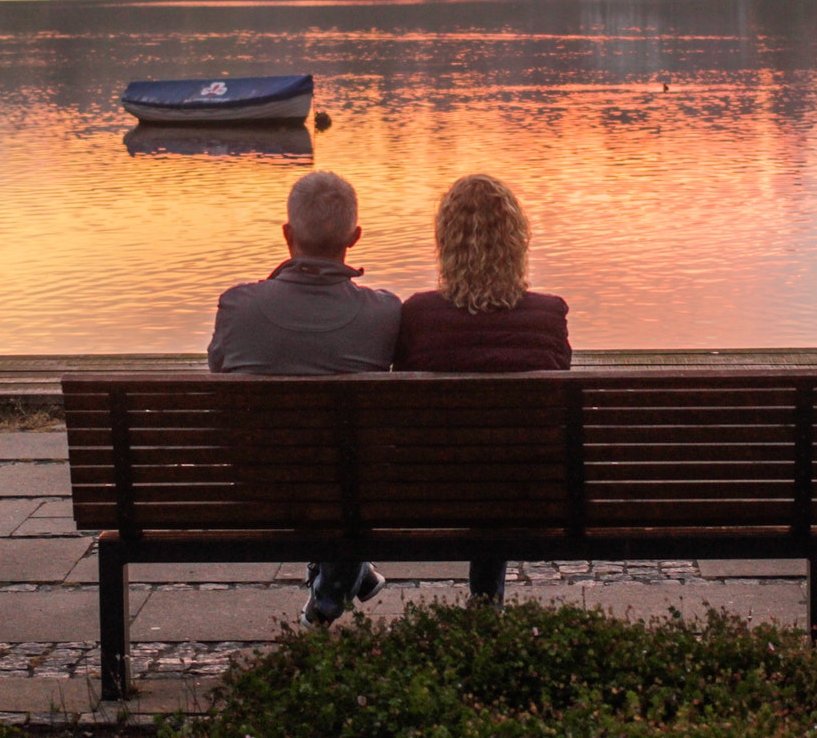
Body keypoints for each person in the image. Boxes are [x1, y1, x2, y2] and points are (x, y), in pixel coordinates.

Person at [209, 169, 401, 627]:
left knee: (309, 460)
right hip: (354, 494)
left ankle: (342, 579)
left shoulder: (238, 305)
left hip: (256, 491)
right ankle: (341, 580)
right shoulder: (385, 313)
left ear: (287, 234)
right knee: (345, 465)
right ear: (355, 237)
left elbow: (219, 375)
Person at [394, 173, 570, 603]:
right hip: (531, 489)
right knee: (502, 455)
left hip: (431, 491)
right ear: (516, 240)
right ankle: (486, 598)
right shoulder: (548, 314)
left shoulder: (417, 315)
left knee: (471, 454)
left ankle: (484, 599)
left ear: (445, 242)